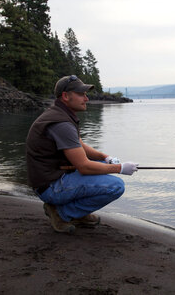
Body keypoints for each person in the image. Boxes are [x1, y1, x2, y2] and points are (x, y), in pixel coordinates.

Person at [26, 75, 138, 234]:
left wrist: (105, 157)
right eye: (81, 94)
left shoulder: (60, 114)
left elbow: (79, 145)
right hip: (50, 187)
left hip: (50, 179)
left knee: (105, 166)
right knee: (116, 186)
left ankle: (77, 212)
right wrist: (120, 168)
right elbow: (84, 167)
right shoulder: (61, 124)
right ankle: (62, 213)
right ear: (66, 96)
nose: (86, 98)